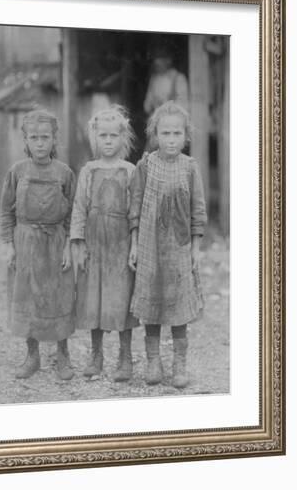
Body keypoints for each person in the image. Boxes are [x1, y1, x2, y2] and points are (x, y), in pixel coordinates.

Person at [128, 101, 207, 388]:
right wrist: (135, 244)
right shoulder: (146, 165)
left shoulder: (190, 167)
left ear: (185, 136)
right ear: (155, 134)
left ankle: (179, 363)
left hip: (178, 248)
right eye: (165, 133)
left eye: (176, 134)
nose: (171, 139)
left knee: (177, 306)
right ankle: (153, 361)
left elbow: (198, 212)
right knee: (151, 303)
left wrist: (196, 250)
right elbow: (135, 206)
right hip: (149, 247)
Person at [0, 110, 76, 380]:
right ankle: (32, 356)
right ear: (26, 140)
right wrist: (10, 245)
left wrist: (68, 245)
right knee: (28, 297)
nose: (40, 143)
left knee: (59, 296)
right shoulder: (17, 171)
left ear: (55, 140)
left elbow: (73, 215)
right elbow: (6, 212)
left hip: (55, 242)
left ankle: (63, 355)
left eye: (46, 137)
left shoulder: (64, 172)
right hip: (26, 242)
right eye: (34, 137)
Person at [71, 105, 139, 382]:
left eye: (113, 136)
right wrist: (78, 242)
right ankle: (96, 355)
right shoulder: (88, 170)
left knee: (121, 299)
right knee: (93, 299)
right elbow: (79, 207)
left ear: (123, 138)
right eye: (103, 136)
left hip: (121, 243)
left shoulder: (131, 171)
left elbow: (135, 211)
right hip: (94, 242)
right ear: (94, 138)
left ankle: (125, 357)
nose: (108, 141)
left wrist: (135, 245)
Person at [143, 48, 189, 127]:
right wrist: (153, 104)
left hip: (173, 123)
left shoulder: (178, 78)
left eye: (160, 59)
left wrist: (166, 105)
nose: (156, 62)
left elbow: (184, 105)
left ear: (168, 61)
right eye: (155, 60)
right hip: (156, 123)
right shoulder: (154, 79)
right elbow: (147, 105)